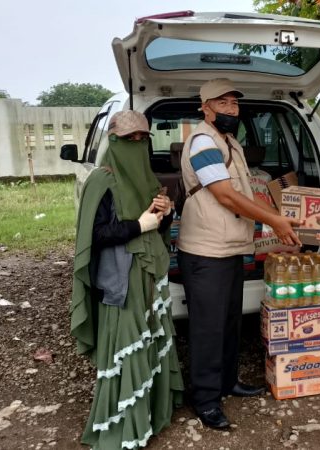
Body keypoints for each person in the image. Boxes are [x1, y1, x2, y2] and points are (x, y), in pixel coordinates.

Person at [178, 78, 301, 429]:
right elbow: (226, 195)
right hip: (206, 250)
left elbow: (246, 191)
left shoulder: (229, 140)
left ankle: (227, 381)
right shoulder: (203, 141)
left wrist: (277, 214)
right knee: (207, 328)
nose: (231, 109)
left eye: (234, 104)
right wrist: (275, 221)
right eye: (222, 104)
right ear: (205, 107)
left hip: (230, 246)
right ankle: (205, 399)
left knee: (230, 322)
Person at [71, 110, 184, 449]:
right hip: (122, 276)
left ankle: (151, 409)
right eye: (129, 139)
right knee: (127, 341)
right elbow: (95, 235)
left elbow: (157, 225)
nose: (136, 144)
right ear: (114, 140)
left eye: (142, 139)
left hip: (150, 273)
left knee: (151, 336)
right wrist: (138, 226)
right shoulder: (101, 180)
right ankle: (124, 422)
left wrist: (165, 213)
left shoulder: (146, 176)